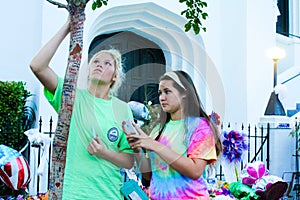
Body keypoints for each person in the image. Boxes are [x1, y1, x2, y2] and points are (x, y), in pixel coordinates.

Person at [30, 17, 134, 199]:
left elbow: (128, 160)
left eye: (107, 63)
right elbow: (38, 66)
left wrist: (104, 153)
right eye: (95, 61)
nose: (100, 64)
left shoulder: (122, 109)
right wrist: (68, 27)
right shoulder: (72, 96)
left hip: (109, 194)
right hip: (74, 193)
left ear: (115, 77)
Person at [123, 70, 222, 199]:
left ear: (184, 93)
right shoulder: (159, 129)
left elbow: (195, 170)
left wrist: (155, 145)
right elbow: (149, 176)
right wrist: (137, 149)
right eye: (160, 93)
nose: (161, 97)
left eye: (167, 91)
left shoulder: (200, 126)